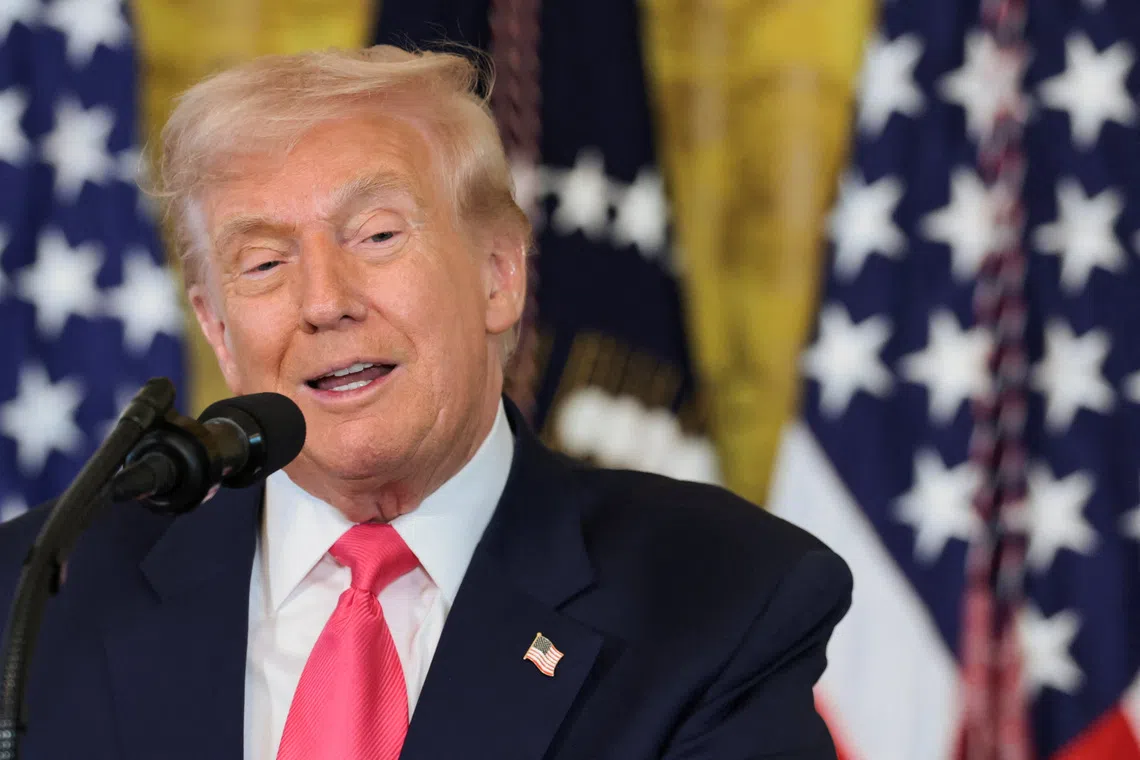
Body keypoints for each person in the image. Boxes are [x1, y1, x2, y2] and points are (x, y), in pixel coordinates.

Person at [0, 45, 852, 760]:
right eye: (263, 264)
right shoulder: (39, 597)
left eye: (376, 236)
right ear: (218, 330)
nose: (323, 300)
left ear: (498, 275)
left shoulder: (720, 598)